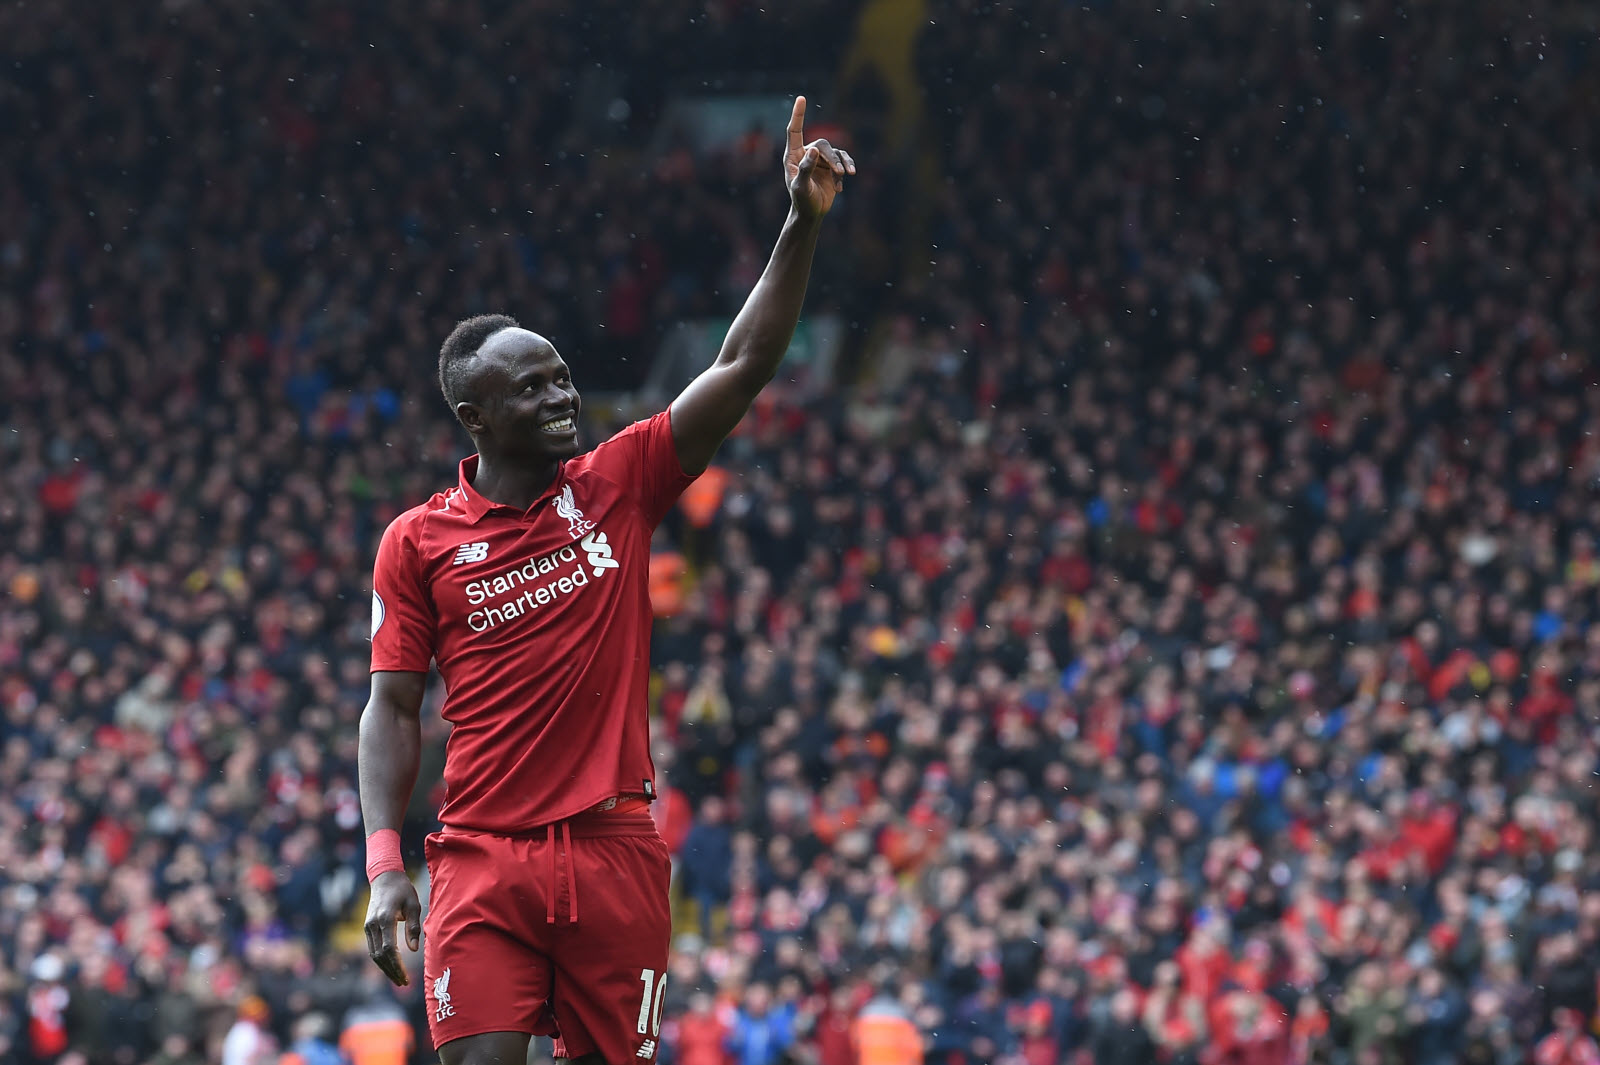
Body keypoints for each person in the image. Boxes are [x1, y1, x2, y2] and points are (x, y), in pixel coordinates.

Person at [358, 95, 855, 1065]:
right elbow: (389, 707)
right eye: (532, 388)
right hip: (483, 859)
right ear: (476, 416)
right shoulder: (416, 543)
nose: (562, 396)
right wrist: (383, 865)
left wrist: (800, 223)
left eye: (561, 377)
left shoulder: (619, 482)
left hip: (615, 853)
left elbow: (745, 362)